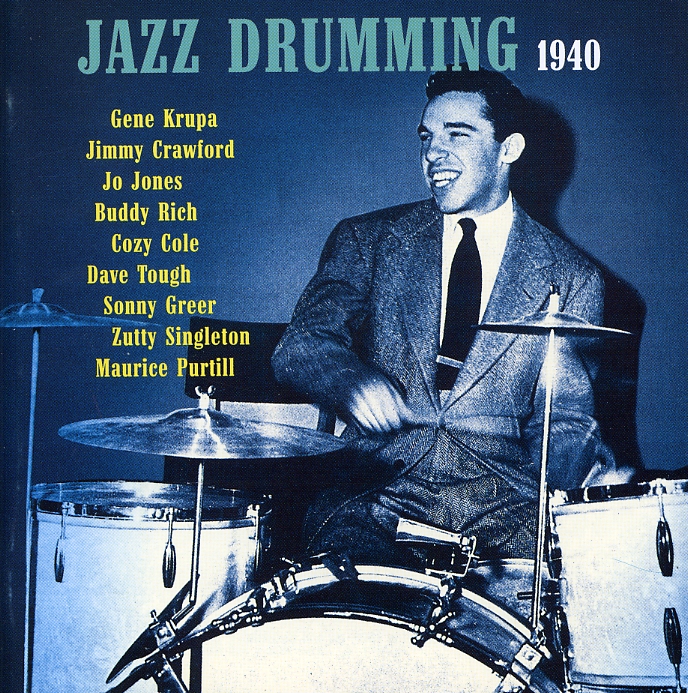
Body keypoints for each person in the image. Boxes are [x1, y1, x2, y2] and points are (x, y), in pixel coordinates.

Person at [272, 66, 616, 566]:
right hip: (375, 497)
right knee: (350, 605)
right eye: (427, 137)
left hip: (504, 509)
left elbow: (562, 420)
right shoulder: (368, 240)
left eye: (458, 135)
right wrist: (350, 382)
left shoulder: (573, 277)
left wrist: (584, 487)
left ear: (508, 149)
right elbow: (300, 346)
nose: (434, 152)